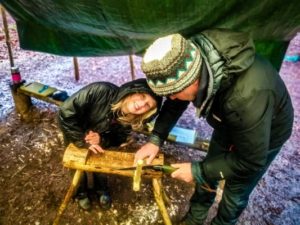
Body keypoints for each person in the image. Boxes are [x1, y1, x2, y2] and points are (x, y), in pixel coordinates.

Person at [134, 29, 294, 224]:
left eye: (174, 92)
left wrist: (196, 171)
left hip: (265, 134)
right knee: (210, 169)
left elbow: (251, 160)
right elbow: (176, 101)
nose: (172, 98)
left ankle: (223, 222)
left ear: (192, 80)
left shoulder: (247, 97)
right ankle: (195, 217)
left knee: (235, 191)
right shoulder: (190, 59)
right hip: (228, 122)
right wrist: (156, 138)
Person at [58, 78, 162, 211]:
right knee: (76, 163)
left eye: (148, 105)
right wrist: (82, 139)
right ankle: (81, 193)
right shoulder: (100, 90)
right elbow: (65, 114)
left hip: (98, 138)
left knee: (101, 161)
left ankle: (101, 190)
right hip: (75, 131)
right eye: (142, 96)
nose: (141, 104)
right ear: (133, 91)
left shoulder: (132, 118)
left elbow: (118, 138)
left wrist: (101, 139)